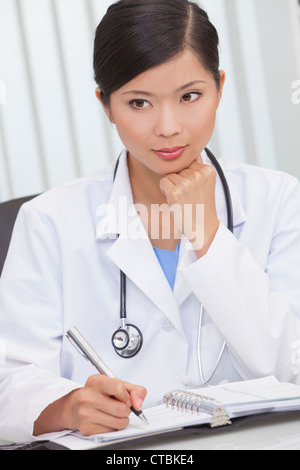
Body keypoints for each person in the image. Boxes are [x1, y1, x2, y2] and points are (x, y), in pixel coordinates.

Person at [0, 0, 300, 444]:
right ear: (105, 104)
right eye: (139, 102)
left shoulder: (279, 200)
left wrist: (207, 235)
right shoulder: (49, 221)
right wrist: (67, 406)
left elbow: (290, 368)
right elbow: (8, 384)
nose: (168, 126)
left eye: (190, 96)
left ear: (219, 87)